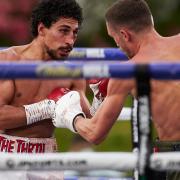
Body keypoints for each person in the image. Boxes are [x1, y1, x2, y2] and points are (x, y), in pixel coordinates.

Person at [51, 0, 180, 180]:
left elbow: (95, 133)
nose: (117, 46)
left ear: (124, 35)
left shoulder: (128, 71)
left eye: (114, 38)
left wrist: (69, 114)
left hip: (172, 156)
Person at [0, 0, 91, 179]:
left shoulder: (72, 72)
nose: (70, 41)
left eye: (74, 33)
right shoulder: (7, 61)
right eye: (64, 31)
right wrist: (46, 108)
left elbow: (89, 127)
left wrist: (100, 97)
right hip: (6, 153)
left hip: (46, 157)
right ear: (42, 29)